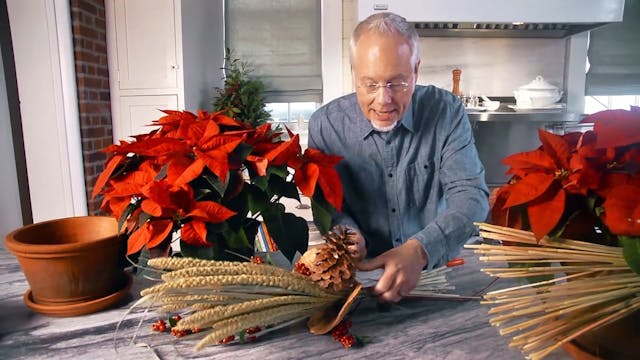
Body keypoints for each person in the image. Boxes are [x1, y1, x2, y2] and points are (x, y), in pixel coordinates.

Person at [308, 12, 489, 303]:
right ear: (353, 71)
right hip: (365, 282)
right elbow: (327, 205)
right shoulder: (325, 125)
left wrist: (420, 249)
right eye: (370, 84)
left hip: (439, 272)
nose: (383, 101)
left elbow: (472, 196)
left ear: (416, 71)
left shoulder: (447, 112)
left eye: (398, 83)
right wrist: (347, 233)